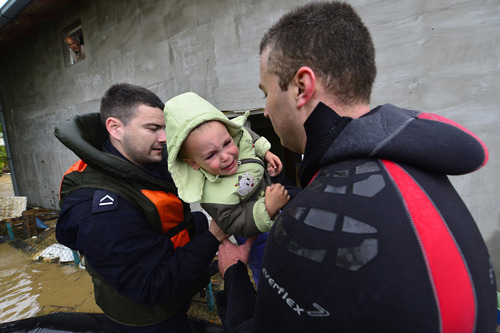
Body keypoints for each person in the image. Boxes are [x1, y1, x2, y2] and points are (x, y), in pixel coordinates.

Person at [216, 2, 498, 332]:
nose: (265, 111)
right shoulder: (418, 167)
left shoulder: (301, 228)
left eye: (266, 93)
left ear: (301, 87)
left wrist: (234, 274)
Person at [54, 83, 229, 332]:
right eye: (153, 128)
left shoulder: (145, 158)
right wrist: (214, 237)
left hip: (177, 291)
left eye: (165, 128)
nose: (164, 137)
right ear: (115, 128)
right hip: (149, 318)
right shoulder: (101, 209)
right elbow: (151, 285)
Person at [164, 91, 290, 284]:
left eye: (226, 143)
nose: (226, 156)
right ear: (193, 163)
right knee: (272, 272)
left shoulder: (236, 137)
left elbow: (247, 136)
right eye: (211, 155)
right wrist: (267, 208)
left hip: (276, 206)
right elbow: (231, 221)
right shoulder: (214, 194)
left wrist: (265, 152)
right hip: (256, 235)